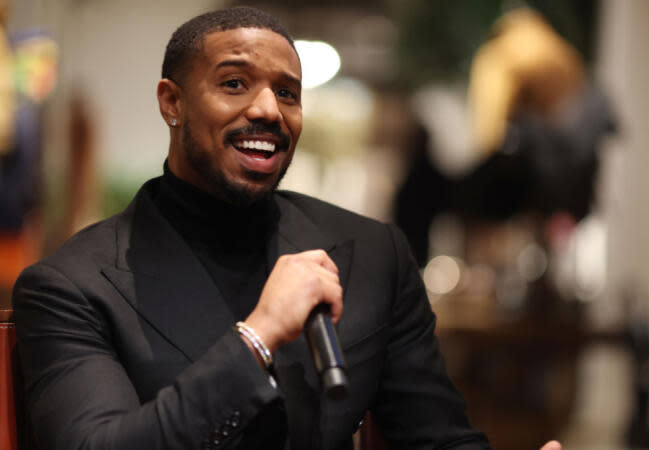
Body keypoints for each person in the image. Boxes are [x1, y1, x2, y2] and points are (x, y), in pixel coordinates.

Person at [13, 7, 562, 450]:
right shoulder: (71, 286)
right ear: (172, 102)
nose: (268, 110)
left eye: (288, 93)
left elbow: (436, 437)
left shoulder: (374, 256)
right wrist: (257, 337)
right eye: (234, 83)